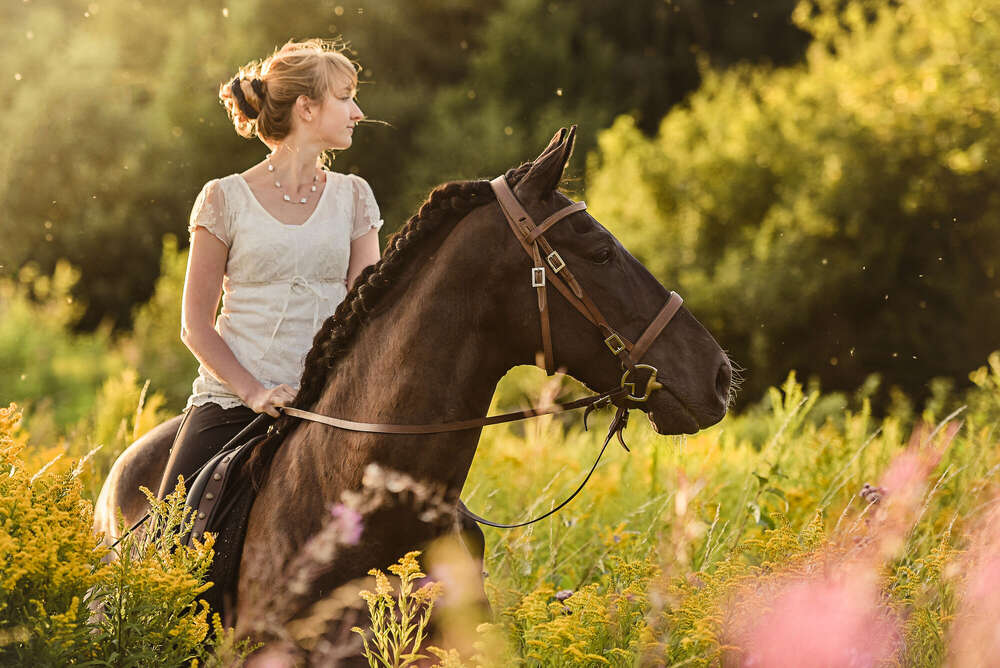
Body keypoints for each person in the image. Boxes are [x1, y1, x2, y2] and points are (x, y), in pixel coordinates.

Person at [156, 39, 382, 500]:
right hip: (235, 404)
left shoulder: (355, 196)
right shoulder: (223, 198)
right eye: (344, 97)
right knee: (169, 536)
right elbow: (195, 326)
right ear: (306, 108)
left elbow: (370, 312)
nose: (357, 112)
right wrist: (255, 393)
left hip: (333, 404)